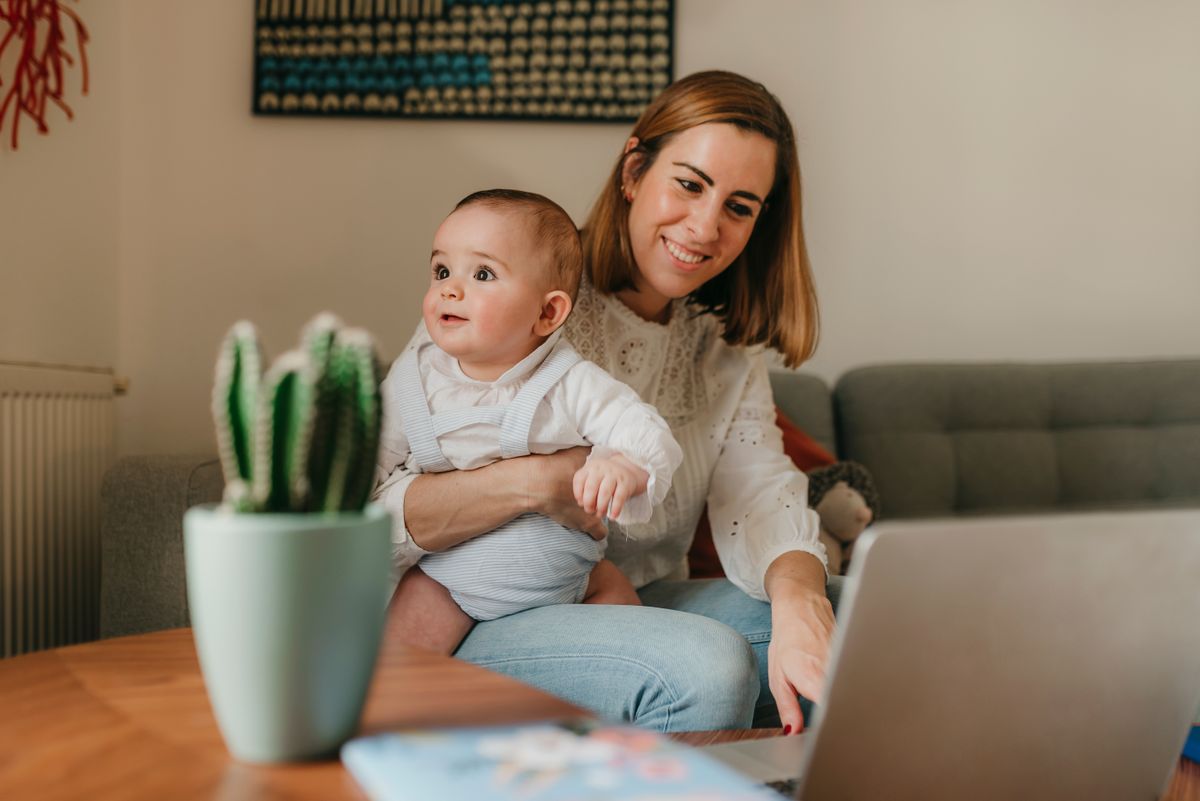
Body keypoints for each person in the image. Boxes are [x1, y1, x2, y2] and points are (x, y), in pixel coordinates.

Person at [375, 70, 835, 735]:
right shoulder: (513, 295)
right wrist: (536, 481)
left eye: (739, 206)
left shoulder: (723, 352)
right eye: (689, 183)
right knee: (708, 667)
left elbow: (763, 495)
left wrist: (800, 602)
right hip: (469, 607)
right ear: (634, 170)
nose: (705, 226)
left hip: (615, 596)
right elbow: (371, 507)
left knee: (849, 614)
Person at [374, 189, 683, 655]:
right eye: (441, 270)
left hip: (577, 578)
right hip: (446, 586)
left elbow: (640, 428)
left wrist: (623, 465)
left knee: (647, 646)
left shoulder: (568, 380)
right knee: (398, 668)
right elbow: (364, 469)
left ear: (547, 312)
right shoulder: (412, 382)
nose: (450, 288)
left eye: (482, 273)